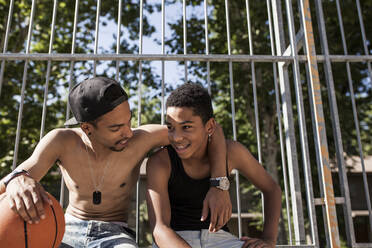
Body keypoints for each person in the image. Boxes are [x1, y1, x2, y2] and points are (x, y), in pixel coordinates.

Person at [0, 77, 232, 248]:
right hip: (65, 230)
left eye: (128, 122)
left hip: (115, 234)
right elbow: (15, 178)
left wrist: (218, 185)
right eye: (116, 128)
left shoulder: (142, 139)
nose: (128, 132)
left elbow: (213, 131)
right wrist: (15, 180)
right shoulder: (62, 141)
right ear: (87, 128)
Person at [146, 83, 282, 248]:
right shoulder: (160, 162)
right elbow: (160, 229)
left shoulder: (232, 152)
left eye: (186, 127)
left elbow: (271, 189)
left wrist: (269, 239)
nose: (176, 137)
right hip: (173, 241)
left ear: (209, 126)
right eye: (170, 127)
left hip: (221, 241)